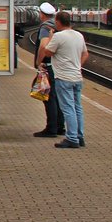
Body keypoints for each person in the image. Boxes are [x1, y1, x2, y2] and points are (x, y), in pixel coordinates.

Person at [38, 10, 89, 149]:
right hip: (77, 77)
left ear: (58, 22)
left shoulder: (58, 36)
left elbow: (47, 52)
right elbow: (85, 54)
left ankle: (72, 138)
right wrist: (78, 66)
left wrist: (50, 37)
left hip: (63, 77)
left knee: (68, 108)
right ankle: (80, 136)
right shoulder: (79, 35)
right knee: (77, 107)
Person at [32, 2, 65, 138]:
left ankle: (51, 128)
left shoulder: (46, 27)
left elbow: (43, 47)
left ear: (41, 14)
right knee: (57, 97)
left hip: (48, 66)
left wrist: (38, 62)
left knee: (48, 97)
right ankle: (60, 126)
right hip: (58, 66)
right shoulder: (57, 27)